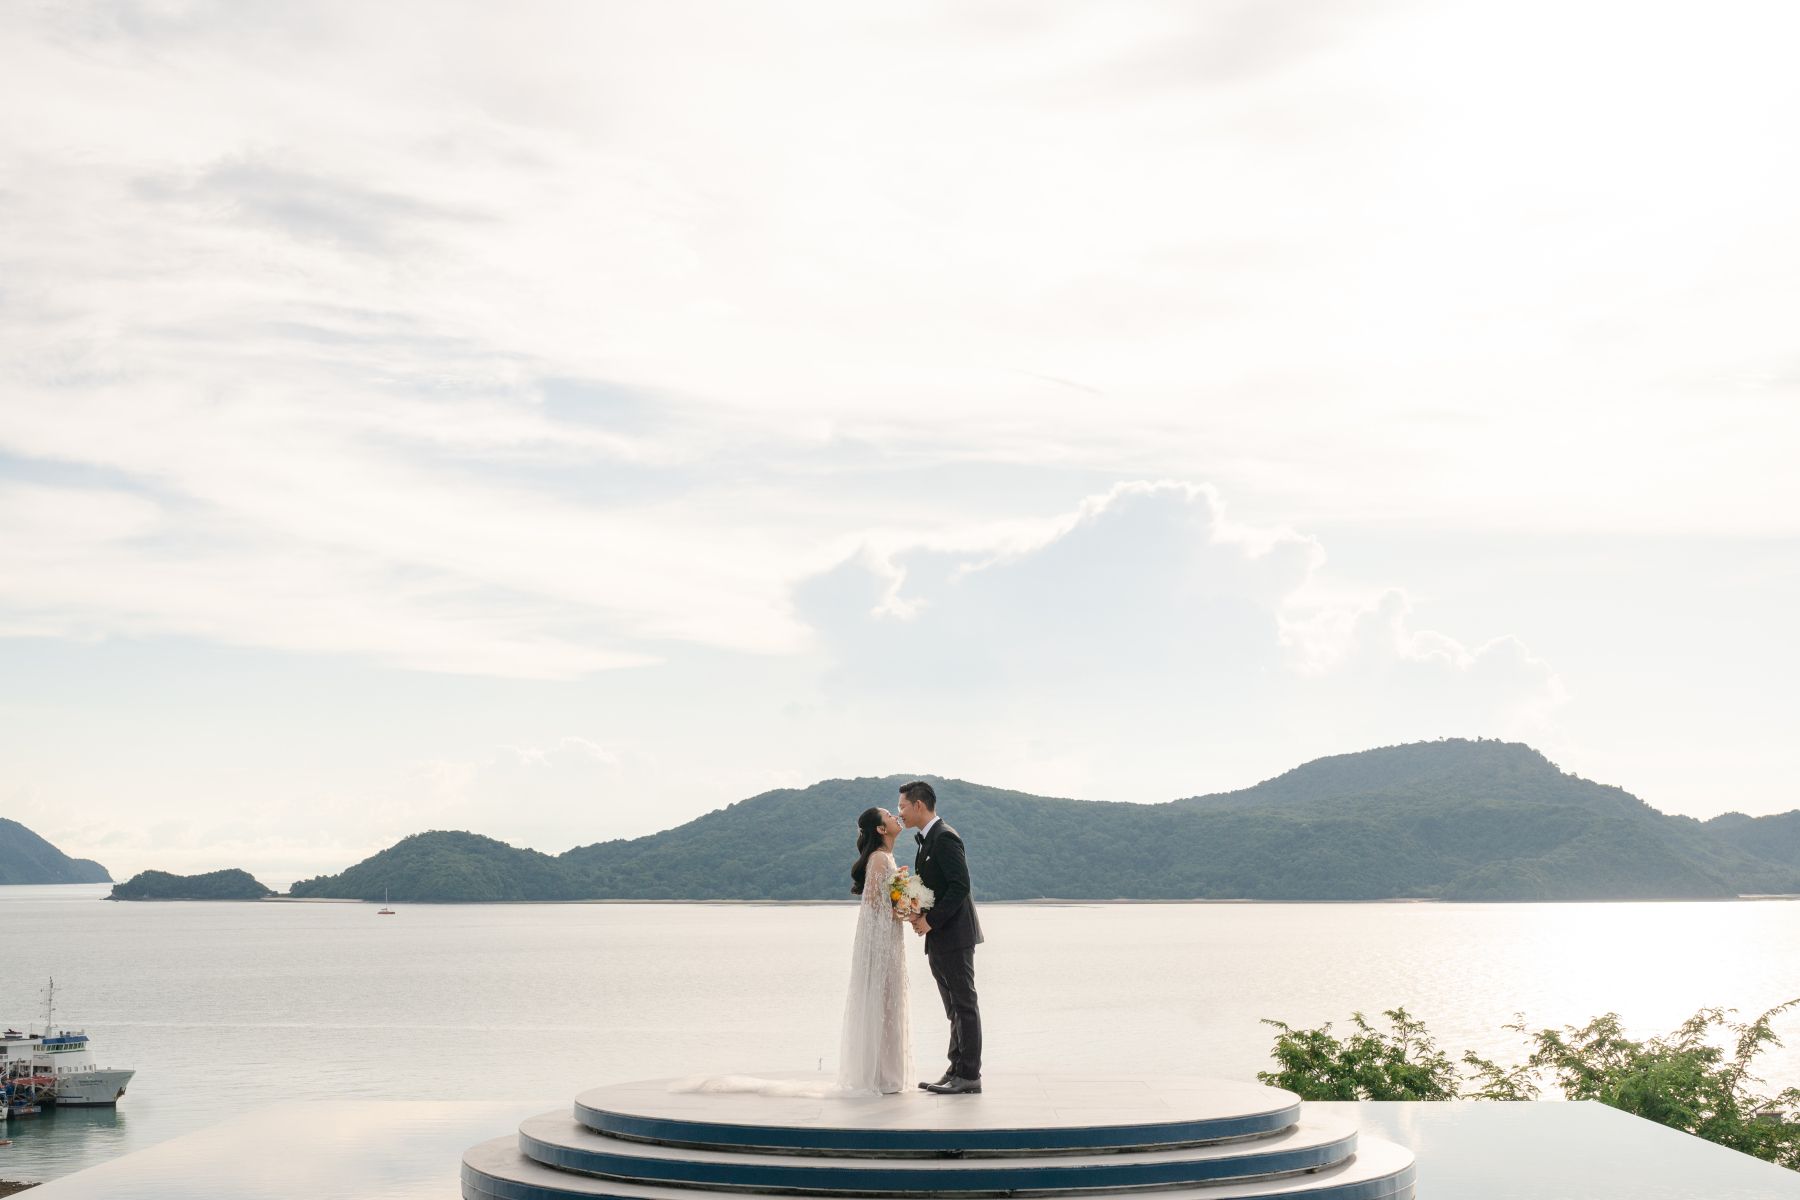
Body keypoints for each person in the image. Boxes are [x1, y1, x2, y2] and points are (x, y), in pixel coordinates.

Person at [897, 780, 983, 1094]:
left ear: (918, 805)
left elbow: (961, 887)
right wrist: (915, 909)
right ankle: (955, 1069)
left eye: (902, 806)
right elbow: (938, 888)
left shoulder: (945, 838)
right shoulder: (927, 840)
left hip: (955, 935)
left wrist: (930, 920)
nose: (900, 813)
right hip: (940, 936)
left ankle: (970, 1075)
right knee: (952, 1008)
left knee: (964, 1004)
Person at [837, 805, 911, 1094]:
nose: (895, 817)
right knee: (885, 1003)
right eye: (889, 816)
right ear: (881, 829)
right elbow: (873, 904)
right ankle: (882, 1077)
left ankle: (886, 1075)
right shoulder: (880, 858)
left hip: (888, 938)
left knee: (890, 1002)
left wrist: (901, 896)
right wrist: (903, 907)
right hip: (881, 942)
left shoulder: (886, 857)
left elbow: (884, 899)